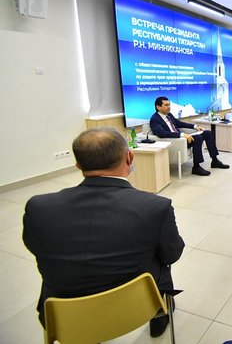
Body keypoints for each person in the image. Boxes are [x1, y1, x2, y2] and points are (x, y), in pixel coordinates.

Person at [23, 128, 184, 337]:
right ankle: (159, 315)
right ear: (129, 157)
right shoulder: (156, 207)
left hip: (66, 317)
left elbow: (34, 246)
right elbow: (172, 254)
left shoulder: (38, 207)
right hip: (139, 307)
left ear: (78, 165)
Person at [150, 96, 229, 176]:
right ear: (158, 107)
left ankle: (215, 161)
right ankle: (196, 167)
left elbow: (179, 123)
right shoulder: (155, 119)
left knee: (207, 133)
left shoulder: (169, 115)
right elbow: (162, 133)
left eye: (169, 104)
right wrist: (182, 135)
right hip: (175, 142)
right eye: (166, 105)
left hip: (181, 138)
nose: (169, 107)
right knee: (198, 138)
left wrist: (195, 126)